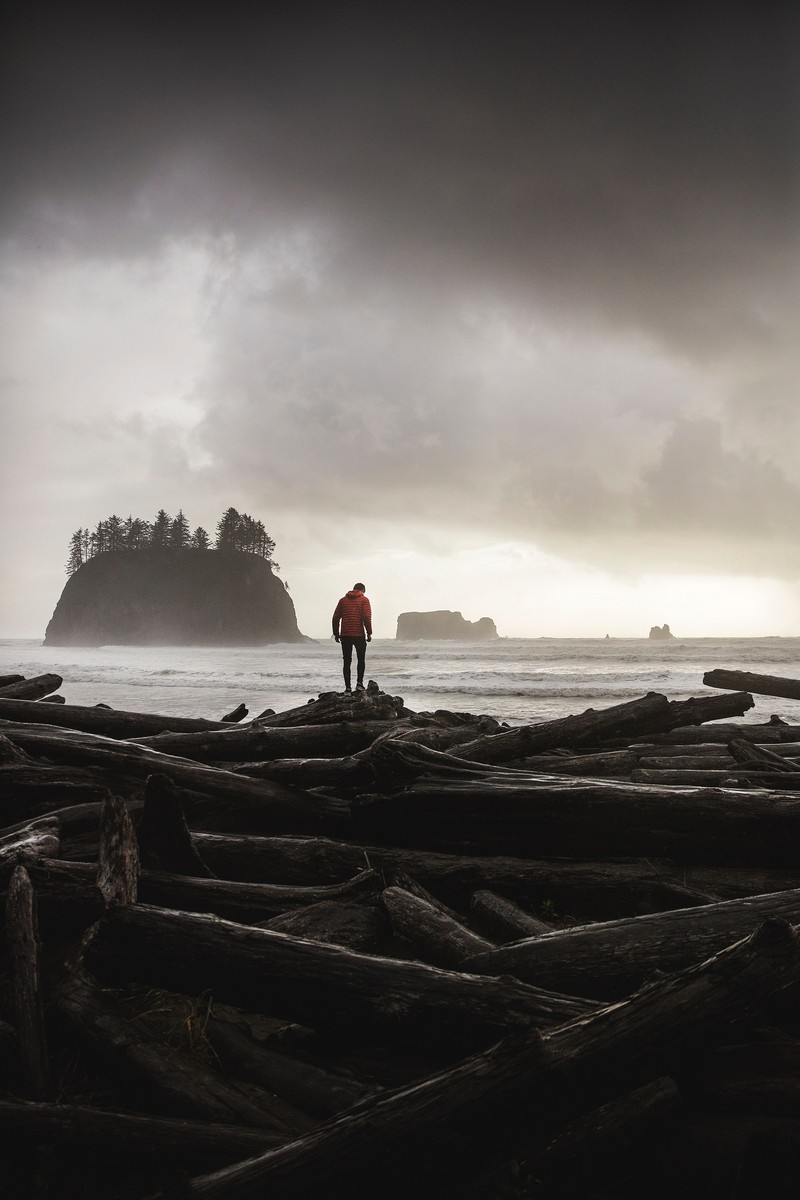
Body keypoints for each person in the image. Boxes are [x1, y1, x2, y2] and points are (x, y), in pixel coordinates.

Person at [332, 582, 372, 693]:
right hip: (359, 635)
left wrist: (336, 633)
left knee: (347, 661)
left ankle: (348, 688)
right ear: (363, 590)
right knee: (361, 660)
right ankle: (359, 684)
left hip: (345, 635)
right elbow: (366, 617)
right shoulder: (364, 600)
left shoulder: (343, 600)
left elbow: (335, 618)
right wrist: (369, 633)